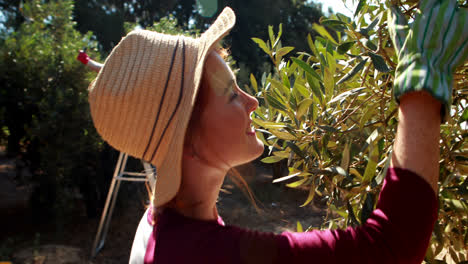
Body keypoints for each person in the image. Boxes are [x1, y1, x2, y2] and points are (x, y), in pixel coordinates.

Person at [83, 1, 468, 263]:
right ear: (189, 145)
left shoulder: (156, 226)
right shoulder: (201, 254)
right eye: (231, 94)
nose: (251, 101)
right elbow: (389, 247)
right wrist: (422, 79)